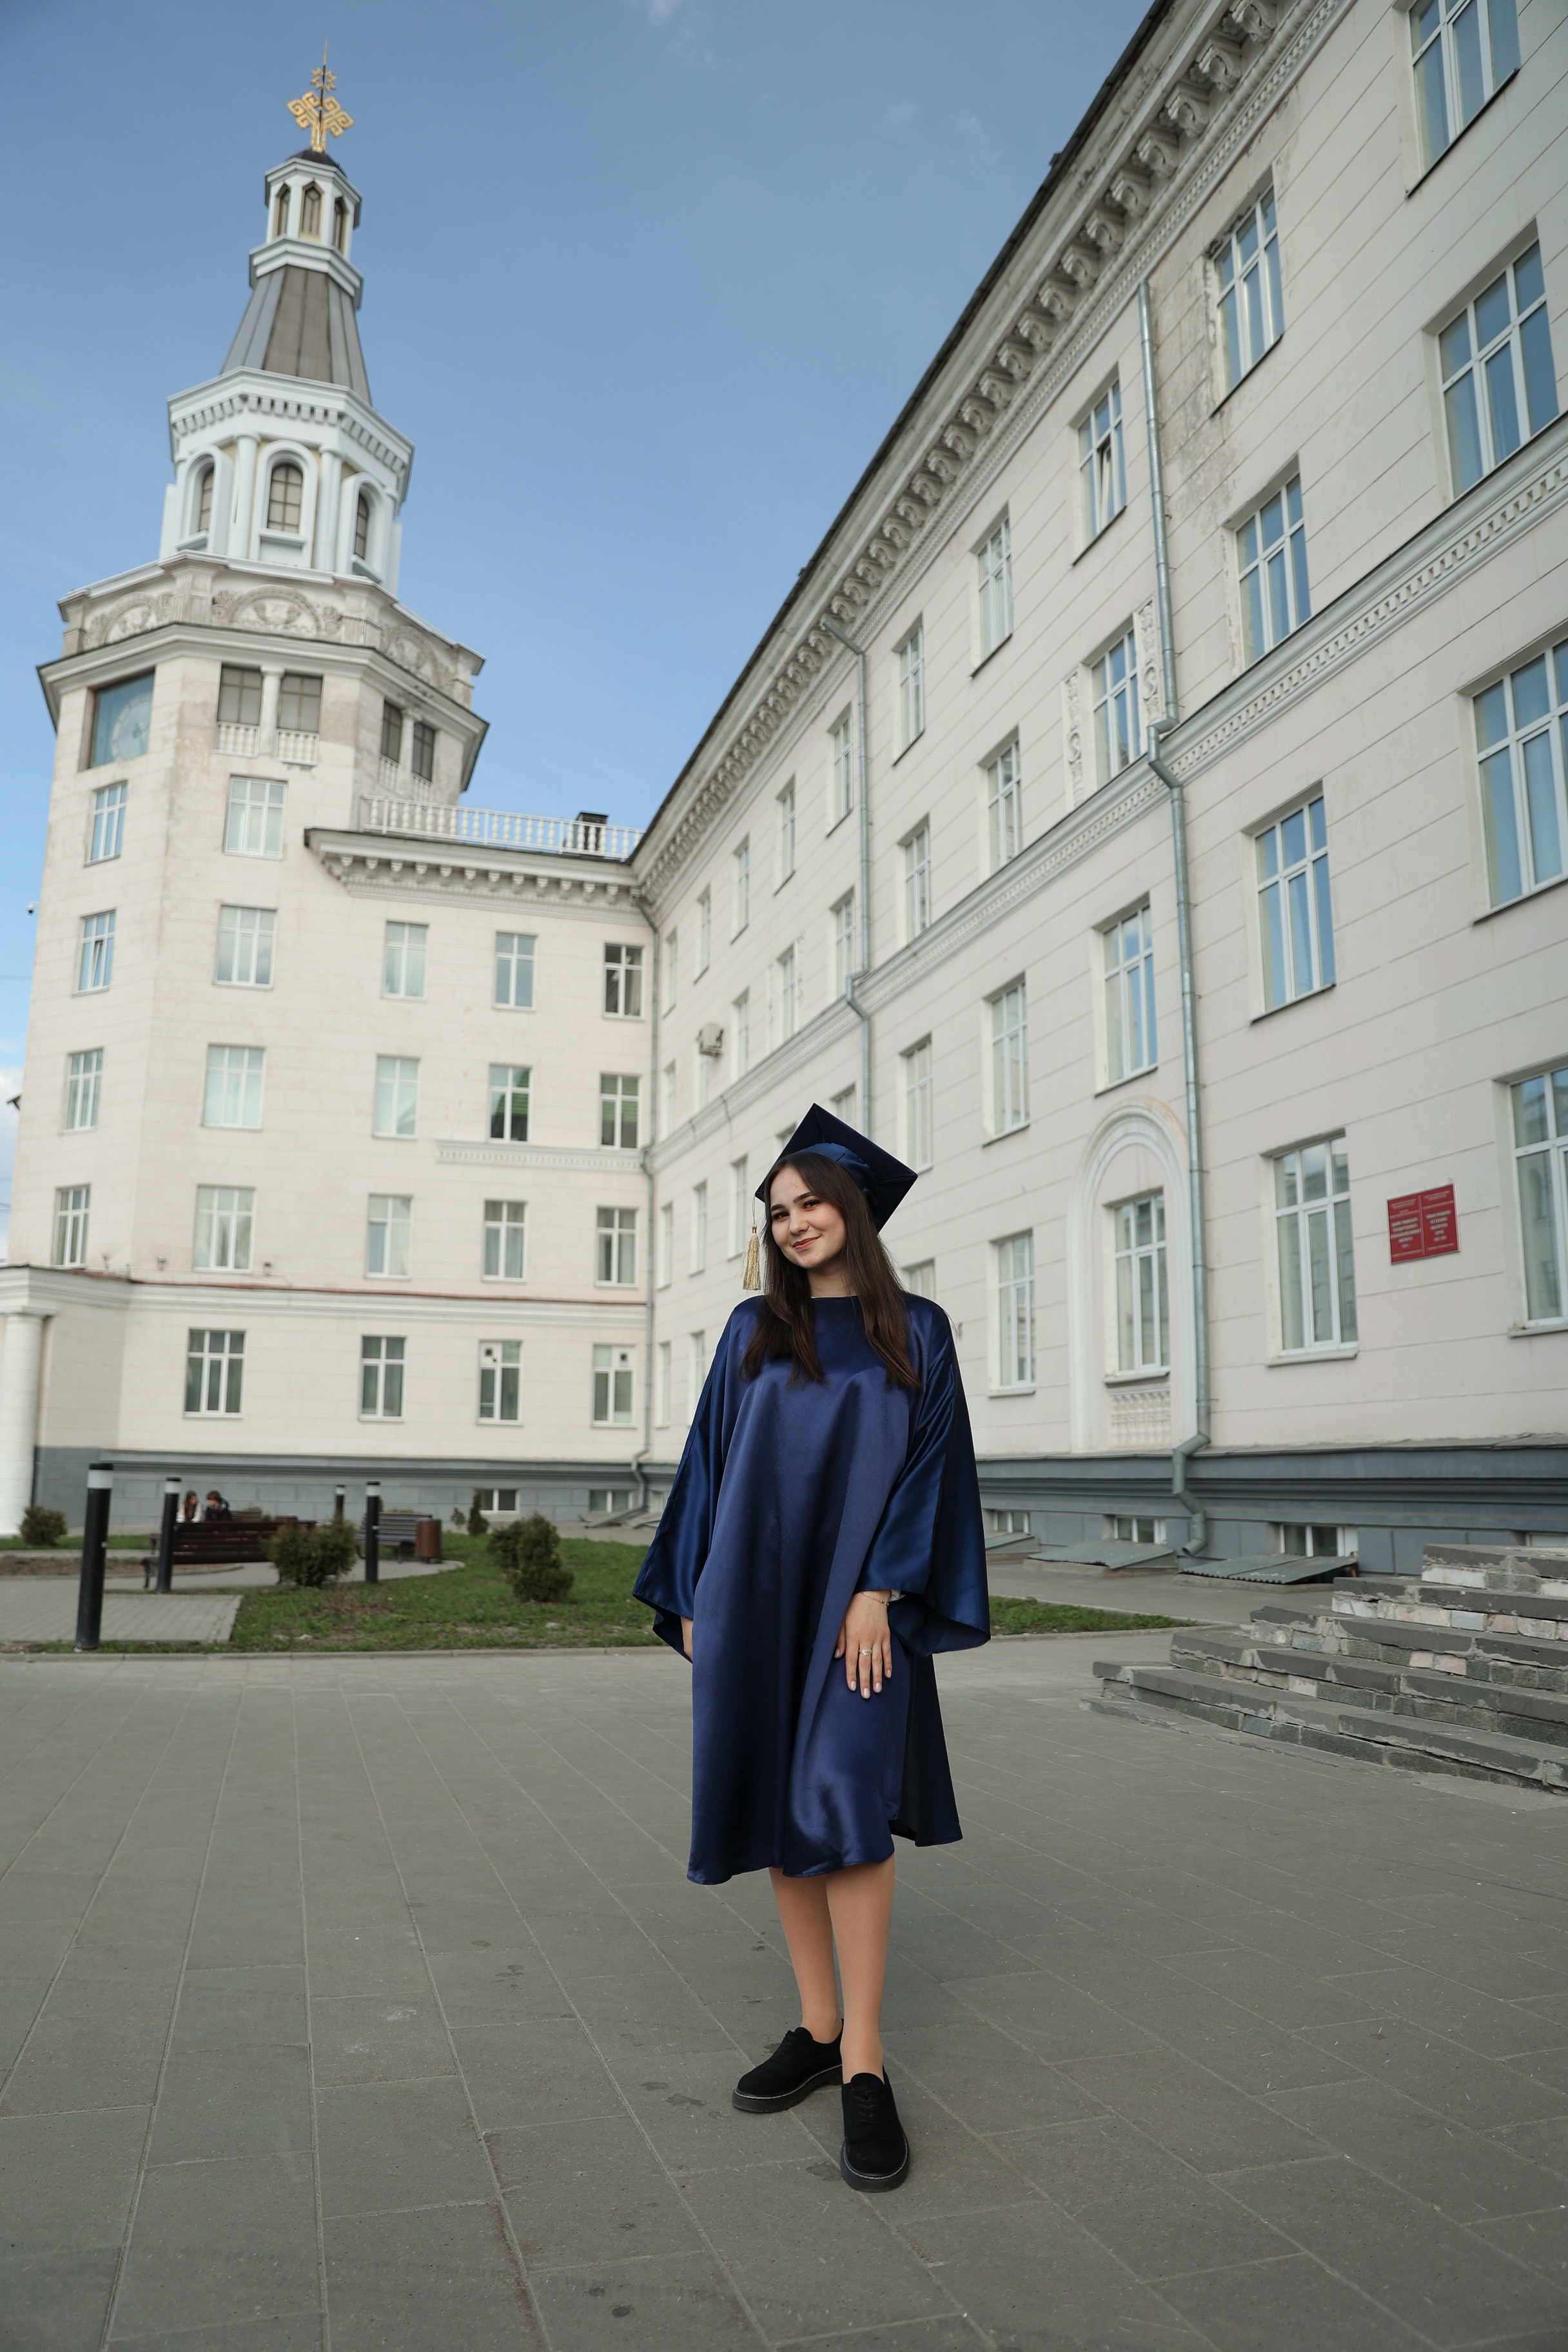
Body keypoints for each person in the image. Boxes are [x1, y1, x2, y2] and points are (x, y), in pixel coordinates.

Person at [633, 1103, 988, 2191]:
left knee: (843, 1799)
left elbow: (933, 1467)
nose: (793, 1223)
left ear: (855, 1211)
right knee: (780, 1810)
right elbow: (708, 1464)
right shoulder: (751, 1331)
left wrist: (883, 1586)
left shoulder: (916, 1330)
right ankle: (818, 2024)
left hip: (860, 1613)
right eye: (778, 1210)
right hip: (754, 1601)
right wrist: (690, 1589)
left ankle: (868, 2065)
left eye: (810, 1204)